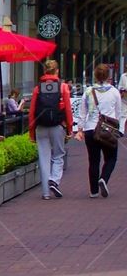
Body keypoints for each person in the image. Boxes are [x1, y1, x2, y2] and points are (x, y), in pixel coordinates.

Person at [29, 59, 74, 199]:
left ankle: (45, 193)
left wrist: (31, 132)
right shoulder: (63, 87)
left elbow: (31, 112)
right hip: (57, 126)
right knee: (58, 155)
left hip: (41, 126)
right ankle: (54, 180)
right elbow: (68, 109)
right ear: (57, 71)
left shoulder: (37, 88)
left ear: (44, 72)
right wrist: (69, 129)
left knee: (43, 158)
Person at [76, 64, 121, 198]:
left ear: (95, 76)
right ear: (109, 76)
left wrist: (80, 129)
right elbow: (118, 113)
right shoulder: (114, 92)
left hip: (91, 129)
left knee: (93, 161)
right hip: (107, 130)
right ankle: (104, 178)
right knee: (111, 158)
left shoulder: (88, 91)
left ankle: (93, 191)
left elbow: (82, 112)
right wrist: (118, 129)